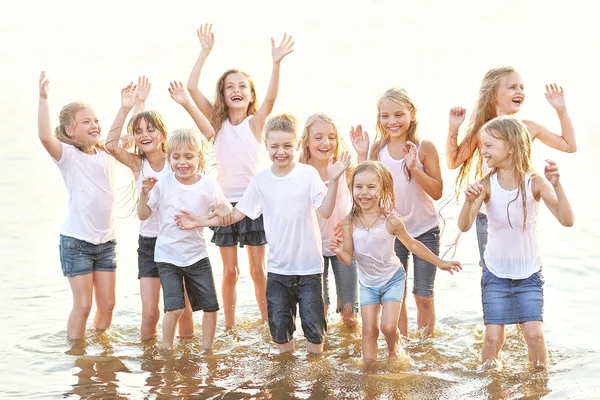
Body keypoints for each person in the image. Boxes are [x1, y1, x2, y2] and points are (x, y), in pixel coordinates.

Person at [175, 114, 351, 354]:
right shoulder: (261, 181)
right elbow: (236, 214)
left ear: (297, 146)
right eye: (275, 146)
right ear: (265, 145)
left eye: (287, 146)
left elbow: (327, 210)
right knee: (280, 335)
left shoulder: (307, 174)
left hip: (310, 271)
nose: (281, 151)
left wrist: (334, 179)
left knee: (314, 333)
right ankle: (284, 384)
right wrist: (200, 220)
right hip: (278, 272)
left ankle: (315, 384)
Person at [186, 24, 295, 328]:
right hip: (223, 205)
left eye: (242, 86)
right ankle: (230, 326)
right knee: (230, 272)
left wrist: (276, 63)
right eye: (230, 86)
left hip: (253, 204)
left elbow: (272, 100)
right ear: (222, 94)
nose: (236, 90)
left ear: (250, 95)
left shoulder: (255, 124)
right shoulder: (217, 124)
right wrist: (204, 52)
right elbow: (192, 88)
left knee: (259, 271)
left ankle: (267, 322)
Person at [457, 116, 574, 369]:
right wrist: (468, 201)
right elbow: (464, 225)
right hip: (495, 273)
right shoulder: (486, 185)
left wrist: (558, 185)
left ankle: (538, 384)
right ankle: (491, 385)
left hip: (529, 273)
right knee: (493, 337)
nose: (483, 151)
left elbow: (567, 220)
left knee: (534, 334)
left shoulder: (535, 183)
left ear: (510, 146)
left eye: (489, 145)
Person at [331, 161, 461, 363]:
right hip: (367, 284)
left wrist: (440, 262)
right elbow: (348, 259)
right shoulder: (349, 222)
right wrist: (339, 251)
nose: (364, 192)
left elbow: (413, 245)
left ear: (383, 190)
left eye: (371, 187)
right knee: (369, 330)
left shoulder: (391, 221)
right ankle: (369, 370)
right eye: (358, 187)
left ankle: (394, 351)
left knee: (388, 327)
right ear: (352, 188)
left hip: (393, 279)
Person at [447, 67, 576, 265]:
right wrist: (454, 127)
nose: (520, 92)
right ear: (493, 96)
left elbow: (569, 146)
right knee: (490, 270)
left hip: (519, 209)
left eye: (522, 87)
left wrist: (561, 110)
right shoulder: (483, 131)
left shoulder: (528, 128)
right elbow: (453, 161)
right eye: (512, 87)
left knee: (523, 266)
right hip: (487, 214)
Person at [105, 79, 202, 341]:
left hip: (179, 241)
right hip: (149, 244)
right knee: (150, 313)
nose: (144, 135)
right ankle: (149, 364)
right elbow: (111, 145)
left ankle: (187, 362)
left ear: (163, 135)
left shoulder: (176, 162)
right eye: (139, 132)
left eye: (151, 130)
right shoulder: (138, 164)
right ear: (135, 138)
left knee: (184, 310)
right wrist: (126, 107)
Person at [351, 87, 444, 337]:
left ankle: (424, 347)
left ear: (412, 114)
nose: (392, 122)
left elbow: (437, 191)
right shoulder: (378, 150)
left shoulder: (425, 147)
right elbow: (365, 190)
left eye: (398, 114)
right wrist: (362, 154)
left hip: (425, 231)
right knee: (397, 295)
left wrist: (415, 168)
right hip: (392, 232)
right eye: (385, 116)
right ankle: (401, 348)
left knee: (423, 295)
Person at [137, 100, 230, 349]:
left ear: (199, 158)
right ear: (168, 158)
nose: (182, 162)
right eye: (176, 157)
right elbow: (143, 215)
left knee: (210, 306)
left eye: (189, 157)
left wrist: (211, 215)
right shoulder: (164, 183)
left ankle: (207, 349)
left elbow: (226, 215)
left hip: (197, 256)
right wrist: (144, 193)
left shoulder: (209, 186)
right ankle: (167, 350)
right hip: (167, 257)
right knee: (175, 308)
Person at [37, 71, 117, 340]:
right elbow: (46, 137)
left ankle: (101, 349)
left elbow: (120, 138)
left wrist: (131, 105)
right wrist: (43, 99)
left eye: (95, 120)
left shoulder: (106, 152)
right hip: (77, 241)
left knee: (107, 305)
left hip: (106, 243)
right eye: (86, 122)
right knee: (83, 305)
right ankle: (77, 355)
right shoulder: (67, 155)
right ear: (70, 130)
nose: (94, 124)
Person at [299, 113, 359, 327]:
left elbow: (364, 197)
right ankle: (322, 355)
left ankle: (349, 355)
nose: (326, 143)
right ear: (306, 140)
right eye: (319, 137)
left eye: (331, 137)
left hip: (342, 244)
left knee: (350, 311)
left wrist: (350, 221)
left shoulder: (344, 167)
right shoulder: (300, 173)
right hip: (312, 248)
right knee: (319, 308)